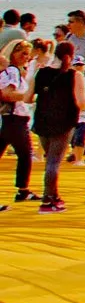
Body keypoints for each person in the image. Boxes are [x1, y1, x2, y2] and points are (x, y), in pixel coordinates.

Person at [29, 40, 82, 212]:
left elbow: (28, 97)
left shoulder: (42, 72)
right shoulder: (74, 75)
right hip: (63, 122)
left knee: (50, 160)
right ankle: (48, 200)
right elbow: (81, 102)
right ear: (72, 55)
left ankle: (53, 194)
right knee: (53, 162)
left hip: (42, 121)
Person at [0, 38, 35, 205]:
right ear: (12, 53)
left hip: (9, 119)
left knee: (24, 154)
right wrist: (30, 97)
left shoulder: (11, 71)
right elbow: (7, 94)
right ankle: (23, 190)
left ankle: (23, 189)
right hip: (14, 119)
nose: (26, 57)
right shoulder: (12, 72)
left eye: (27, 54)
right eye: (22, 53)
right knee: (25, 154)